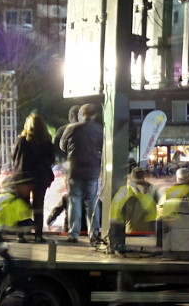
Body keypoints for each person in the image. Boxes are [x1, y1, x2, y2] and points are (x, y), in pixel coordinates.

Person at [59, 103, 103, 244]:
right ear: (94, 115)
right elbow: (103, 147)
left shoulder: (71, 128)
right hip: (93, 171)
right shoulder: (99, 130)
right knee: (92, 202)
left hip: (75, 171)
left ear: (81, 114)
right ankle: (94, 234)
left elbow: (62, 146)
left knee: (74, 201)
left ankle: (73, 233)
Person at [12, 113, 55, 243]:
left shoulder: (21, 140)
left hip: (23, 177)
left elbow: (14, 157)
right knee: (38, 206)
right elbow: (51, 160)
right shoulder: (47, 142)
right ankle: (38, 235)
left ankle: (22, 235)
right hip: (41, 177)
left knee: (23, 206)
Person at [0, 174, 34, 270]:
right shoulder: (16, 201)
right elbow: (25, 218)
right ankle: (8, 262)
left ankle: (4, 257)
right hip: (7, 226)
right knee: (23, 223)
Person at [109, 168, 160, 234]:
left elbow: (115, 211)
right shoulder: (152, 189)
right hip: (150, 230)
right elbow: (157, 203)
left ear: (132, 177)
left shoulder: (125, 190)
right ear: (143, 176)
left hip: (131, 230)